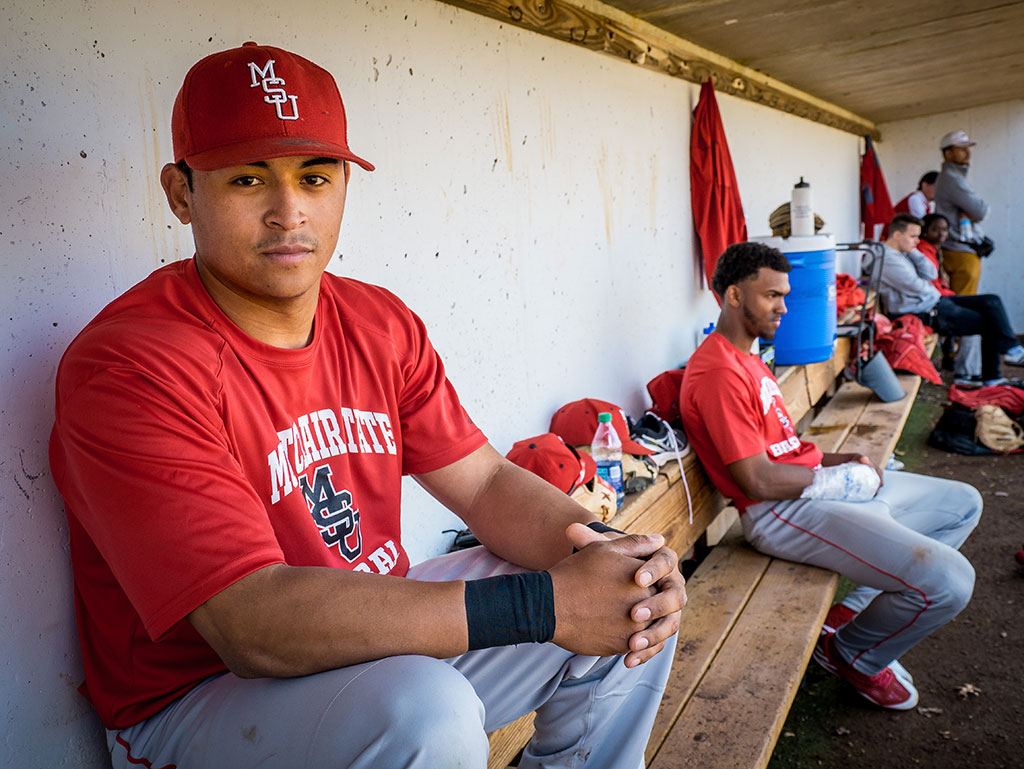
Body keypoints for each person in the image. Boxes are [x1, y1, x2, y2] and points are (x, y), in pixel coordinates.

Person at [48, 42, 685, 769]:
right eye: (248, 178)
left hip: (370, 639)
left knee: (633, 597)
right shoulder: (132, 362)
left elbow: (482, 482)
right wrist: (546, 605)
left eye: (313, 177)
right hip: (199, 700)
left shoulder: (377, 322)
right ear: (181, 191)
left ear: (343, 184)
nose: (288, 212)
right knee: (426, 712)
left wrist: (605, 556)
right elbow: (247, 623)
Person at [680, 241, 983, 710]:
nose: (784, 306)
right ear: (735, 296)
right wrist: (831, 482)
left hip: (813, 489)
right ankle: (852, 653)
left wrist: (842, 462)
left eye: (785, 294)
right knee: (950, 581)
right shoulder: (718, 371)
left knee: (963, 502)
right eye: (772, 296)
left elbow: (786, 449)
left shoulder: (749, 357)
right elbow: (757, 481)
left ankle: (851, 614)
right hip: (780, 512)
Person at [866, 213, 1024, 385]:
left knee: (991, 301)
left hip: (933, 301)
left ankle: (1012, 348)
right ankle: (993, 376)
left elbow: (931, 273)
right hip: (922, 312)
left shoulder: (902, 252)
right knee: (988, 323)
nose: (917, 241)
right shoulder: (887, 259)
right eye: (913, 237)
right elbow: (916, 287)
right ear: (897, 235)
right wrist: (933, 292)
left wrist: (913, 252)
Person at [919, 213, 980, 379]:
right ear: (924, 232)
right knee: (976, 321)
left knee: (981, 312)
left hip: (938, 300)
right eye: (935, 229)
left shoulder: (934, 248)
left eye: (944, 230)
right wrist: (952, 296)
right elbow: (931, 287)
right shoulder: (922, 250)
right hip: (929, 306)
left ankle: (964, 368)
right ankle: (966, 373)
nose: (941, 234)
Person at [933, 130, 989, 295]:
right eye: (962, 149)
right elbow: (980, 211)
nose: (968, 153)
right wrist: (975, 209)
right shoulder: (952, 179)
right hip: (960, 251)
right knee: (965, 306)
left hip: (958, 249)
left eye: (968, 148)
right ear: (948, 153)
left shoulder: (953, 176)